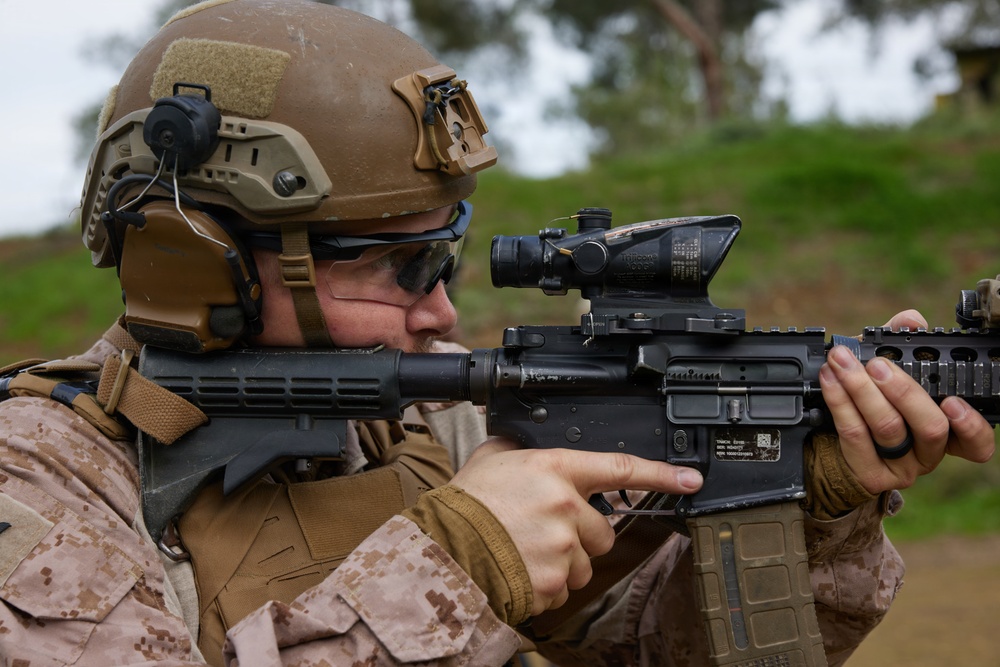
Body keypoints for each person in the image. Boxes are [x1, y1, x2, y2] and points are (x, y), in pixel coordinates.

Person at [0, 1, 993, 665]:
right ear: (192, 252)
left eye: (447, 257)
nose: (439, 311)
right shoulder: (38, 482)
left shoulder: (435, 425)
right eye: (399, 265)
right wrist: (447, 575)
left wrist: (810, 502)